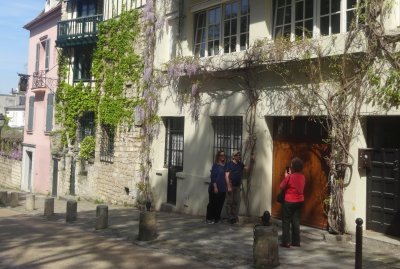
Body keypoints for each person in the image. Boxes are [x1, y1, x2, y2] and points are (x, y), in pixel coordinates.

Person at [280, 157, 305, 248]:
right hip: (299, 201)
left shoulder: (290, 177)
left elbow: (281, 186)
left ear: (293, 167)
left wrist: (286, 177)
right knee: (296, 221)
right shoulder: (303, 177)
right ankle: (296, 241)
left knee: (286, 221)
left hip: (289, 200)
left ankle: (286, 242)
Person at [225, 150, 254, 224]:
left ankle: (234, 217)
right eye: (237, 155)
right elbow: (227, 175)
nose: (239, 156)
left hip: (237, 186)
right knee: (229, 202)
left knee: (235, 202)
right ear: (233, 156)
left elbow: (247, 169)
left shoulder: (240, 164)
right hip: (231, 185)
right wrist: (228, 186)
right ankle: (229, 217)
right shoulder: (229, 164)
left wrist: (251, 161)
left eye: (239, 155)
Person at [206, 150, 228, 224]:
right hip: (214, 188)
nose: (223, 157)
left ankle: (217, 218)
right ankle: (209, 218)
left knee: (220, 204)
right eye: (221, 155)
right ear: (218, 157)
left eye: (224, 155)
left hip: (223, 189)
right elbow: (213, 177)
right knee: (212, 204)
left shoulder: (225, 166)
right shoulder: (215, 166)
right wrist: (215, 187)